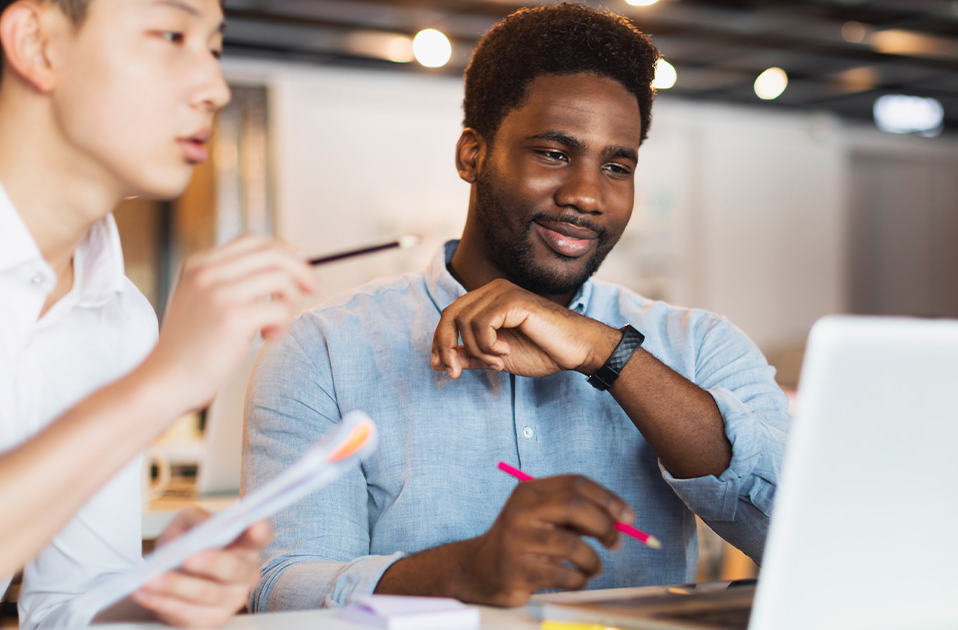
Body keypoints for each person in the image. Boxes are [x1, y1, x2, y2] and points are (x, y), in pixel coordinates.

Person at [243, 1, 790, 612]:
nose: (586, 194)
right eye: (554, 153)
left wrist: (606, 352)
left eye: (617, 165)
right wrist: (463, 571)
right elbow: (281, 590)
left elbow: (804, 534)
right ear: (472, 155)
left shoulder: (698, 344)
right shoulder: (324, 349)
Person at [0, 0, 319, 627]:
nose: (214, 87)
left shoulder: (119, 316)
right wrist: (160, 385)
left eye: (214, 48)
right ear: (36, 43)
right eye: (172, 35)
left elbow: (65, 604)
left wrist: (157, 594)